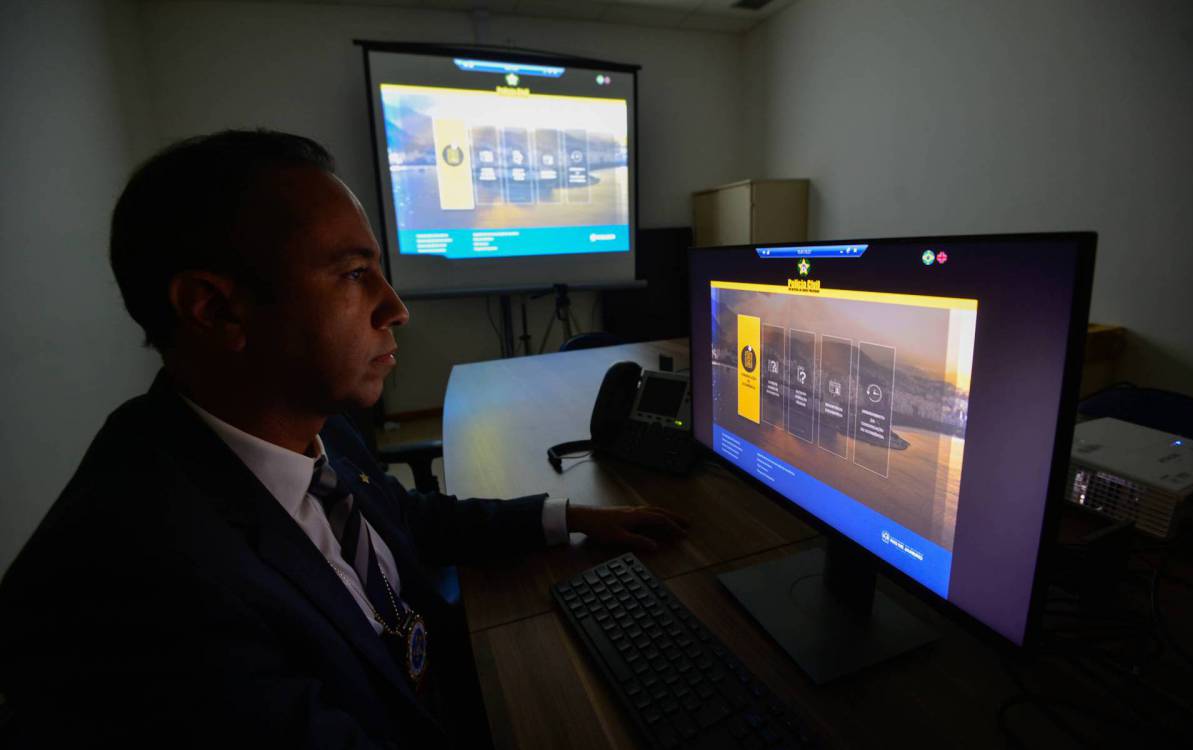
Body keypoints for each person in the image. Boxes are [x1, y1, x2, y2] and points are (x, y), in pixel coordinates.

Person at [0, 130, 688, 748]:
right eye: (355, 275)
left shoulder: (309, 426)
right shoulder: (138, 593)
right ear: (214, 308)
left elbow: (402, 517)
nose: (396, 308)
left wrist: (568, 517)